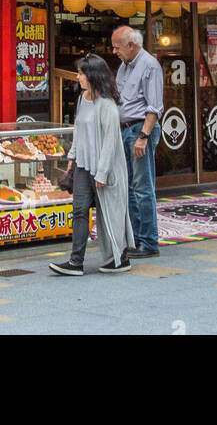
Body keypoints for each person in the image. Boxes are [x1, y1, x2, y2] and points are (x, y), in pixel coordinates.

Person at [50, 54, 133, 275]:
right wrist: (72, 158)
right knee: (79, 210)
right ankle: (75, 262)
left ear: (93, 76)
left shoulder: (107, 105)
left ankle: (119, 256)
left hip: (104, 170)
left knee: (109, 213)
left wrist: (102, 174)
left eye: (81, 73)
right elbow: (79, 131)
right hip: (83, 167)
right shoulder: (82, 99)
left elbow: (110, 143)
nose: (78, 77)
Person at [112, 25, 164, 258]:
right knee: (130, 188)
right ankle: (135, 238)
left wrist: (143, 136)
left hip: (139, 129)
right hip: (125, 130)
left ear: (131, 45)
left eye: (117, 47)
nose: (114, 51)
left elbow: (154, 107)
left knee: (143, 187)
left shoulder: (149, 65)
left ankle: (149, 242)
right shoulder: (124, 67)